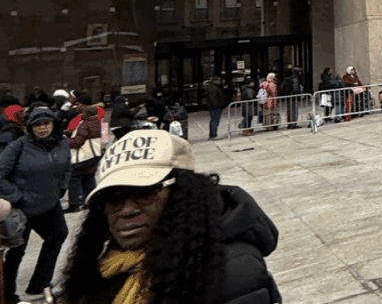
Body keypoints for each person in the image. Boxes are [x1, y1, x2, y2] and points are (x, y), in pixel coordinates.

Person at [59, 131, 281, 304]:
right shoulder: (110, 263)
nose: (127, 210)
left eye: (145, 192)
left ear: (181, 194)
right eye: (112, 198)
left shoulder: (231, 271)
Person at [0, 107, 72, 302]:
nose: (42, 129)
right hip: (21, 208)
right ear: (30, 127)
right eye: (36, 125)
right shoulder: (19, 146)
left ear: (54, 124)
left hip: (49, 204)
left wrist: (61, 189)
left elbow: (66, 168)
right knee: (15, 252)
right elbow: (0, 175)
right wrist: (17, 197)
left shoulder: (62, 143)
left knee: (58, 235)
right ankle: (6, 295)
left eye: (46, 124)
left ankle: (40, 284)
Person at [67, 93, 104, 214]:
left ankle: (75, 204)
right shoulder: (98, 123)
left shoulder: (84, 124)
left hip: (83, 157)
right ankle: (92, 201)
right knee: (89, 177)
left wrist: (66, 140)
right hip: (95, 155)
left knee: (74, 178)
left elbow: (77, 142)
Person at [204, 76, 230, 141]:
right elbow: (213, 98)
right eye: (218, 81)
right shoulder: (212, 88)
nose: (219, 82)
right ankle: (213, 135)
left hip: (215, 107)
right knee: (215, 121)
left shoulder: (213, 87)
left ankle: (213, 134)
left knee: (214, 120)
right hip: (215, 107)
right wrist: (217, 106)